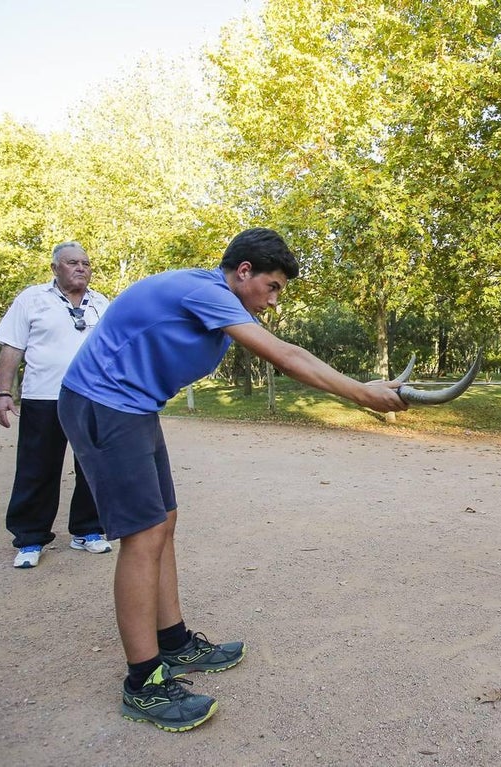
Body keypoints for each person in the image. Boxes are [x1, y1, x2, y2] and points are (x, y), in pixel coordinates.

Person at [57, 227, 407, 732]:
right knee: (144, 533)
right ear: (244, 272)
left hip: (134, 408)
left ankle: (173, 643)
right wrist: (362, 394)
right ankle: (144, 682)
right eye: (273, 286)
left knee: (164, 521)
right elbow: (285, 355)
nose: (274, 298)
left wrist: (360, 388)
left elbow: (289, 350)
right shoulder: (209, 292)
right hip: (103, 404)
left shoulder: (218, 301)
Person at [0, 241, 112, 569]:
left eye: (85, 263)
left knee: (93, 467)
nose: (81, 268)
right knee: (37, 468)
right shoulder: (32, 299)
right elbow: (12, 349)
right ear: (55, 268)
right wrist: (3, 393)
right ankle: (30, 538)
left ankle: (88, 529)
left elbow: (114, 351)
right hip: (43, 397)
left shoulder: (101, 303)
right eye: (72, 262)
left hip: (93, 397)